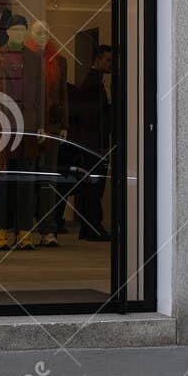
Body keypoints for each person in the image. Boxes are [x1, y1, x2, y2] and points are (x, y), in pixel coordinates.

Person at [63, 45, 114, 241]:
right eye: (108, 60)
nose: (111, 64)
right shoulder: (93, 84)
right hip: (93, 143)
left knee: (93, 186)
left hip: (94, 143)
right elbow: (91, 116)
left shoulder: (96, 82)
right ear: (98, 60)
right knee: (93, 186)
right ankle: (92, 227)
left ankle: (91, 226)